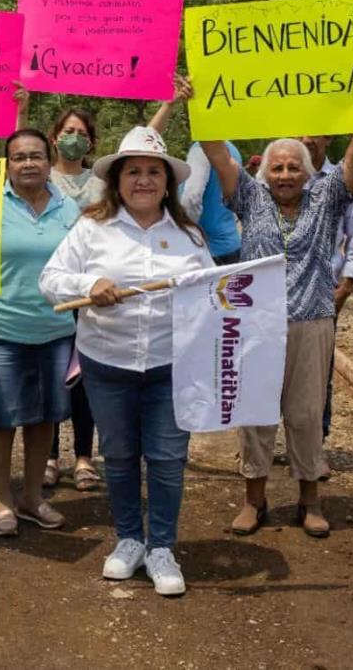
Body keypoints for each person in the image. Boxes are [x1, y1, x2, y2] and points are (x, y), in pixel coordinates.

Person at [199, 77, 353, 539]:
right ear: (266, 173)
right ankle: (254, 500)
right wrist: (200, 105)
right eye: (277, 167)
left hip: (312, 321)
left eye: (293, 168)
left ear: (307, 172)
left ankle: (310, 500)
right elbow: (218, 154)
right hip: (256, 325)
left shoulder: (327, 197)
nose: (284, 174)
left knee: (305, 414)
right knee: (256, 413)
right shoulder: (249, 195)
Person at [40, 126, 213, 596]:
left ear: (167, 181)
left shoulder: (189, 236)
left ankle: (161, 546)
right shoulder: (91, 227)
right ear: (117, 179)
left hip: (169, 367)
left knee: (167, 458)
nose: (143, 180)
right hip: (107, 364)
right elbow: (50, 279)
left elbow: (213, 296)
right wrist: (88, 286)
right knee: (117, 457)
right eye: (133, 171)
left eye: (153, 172)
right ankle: (129, 539)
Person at [14, 78, 192, 492]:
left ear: (92, 144)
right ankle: (51, 456)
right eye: (67, 132)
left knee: (87, 376)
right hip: (58, 291)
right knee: (56, 376)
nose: (73, 138)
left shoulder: (103, 189)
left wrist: (168, 104)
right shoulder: (42, 178)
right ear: (54, 138)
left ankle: (83, 457)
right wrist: (20, 112)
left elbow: (144, 156)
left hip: (104, 298)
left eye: (82, 133)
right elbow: (16, 150)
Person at [0, 128, 80, 536]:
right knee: (0, 419)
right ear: (7, 165)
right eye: (19, 157)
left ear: (50, 161)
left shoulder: (69, 208)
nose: (29, 164)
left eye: (36, 156)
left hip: (55, 329)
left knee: (44, 418)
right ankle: (2, 498)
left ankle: (32, 497)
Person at [298, 135, 353, 461]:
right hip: (276, 295)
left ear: (328, 136)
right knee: (266, 366)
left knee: (319, 372)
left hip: (323, 292)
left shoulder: (343, 178)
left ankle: (315, 447)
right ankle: (260, 445)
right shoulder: (273, 172)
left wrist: (347, 283)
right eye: (300, 129)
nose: (307, 138)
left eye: (315, 130)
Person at [182, 141, 243, 265]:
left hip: (207, 249)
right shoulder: (233, 151)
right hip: (232, 244)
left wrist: (183, 233)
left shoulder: (201, 150)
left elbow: (191, 197)